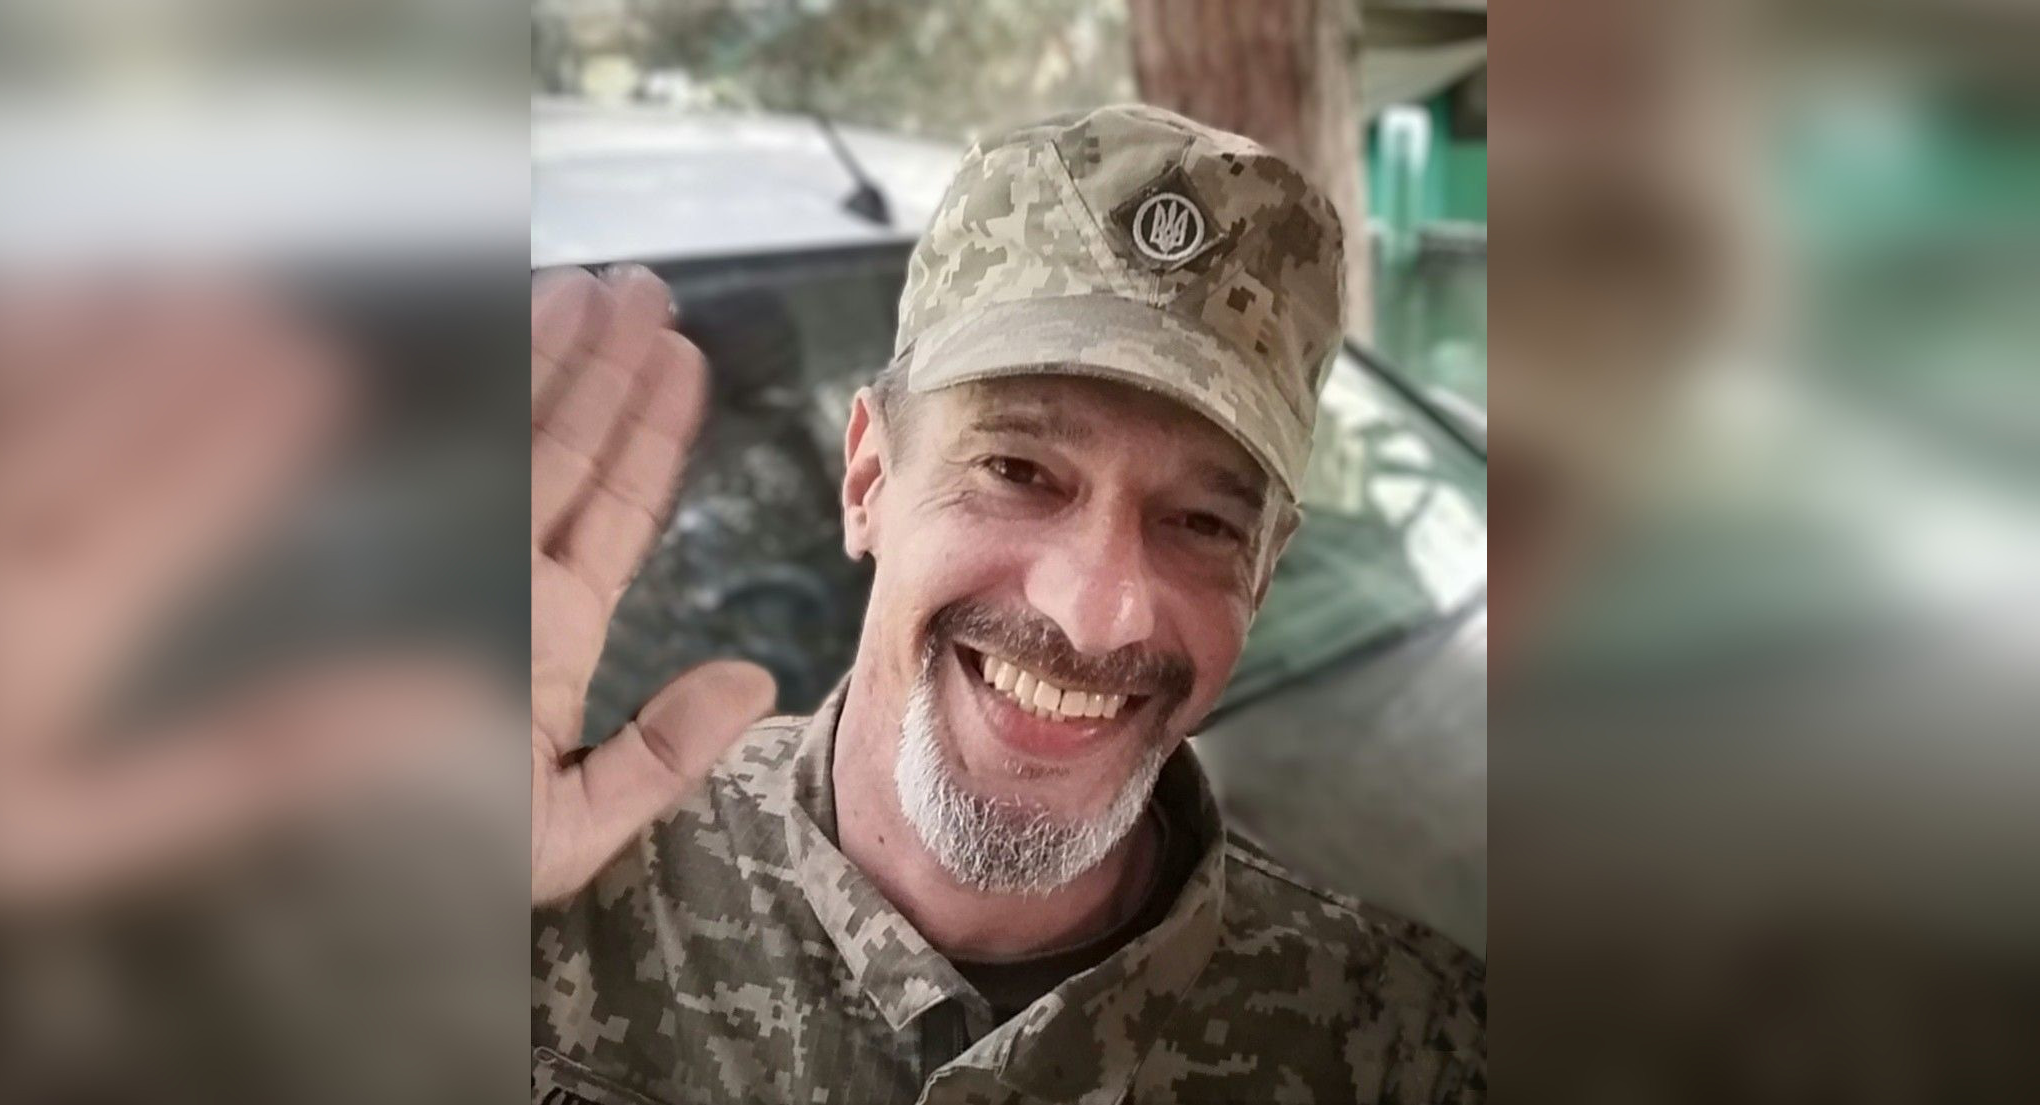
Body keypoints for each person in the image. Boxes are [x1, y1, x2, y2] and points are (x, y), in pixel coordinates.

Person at [530, 104, 1486, 1104]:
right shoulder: (547, 903)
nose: (1095, 614)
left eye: (1202, 522)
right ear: (869, 478)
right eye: (1017, 469)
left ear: (1263, 570)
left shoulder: (1410, 1045)